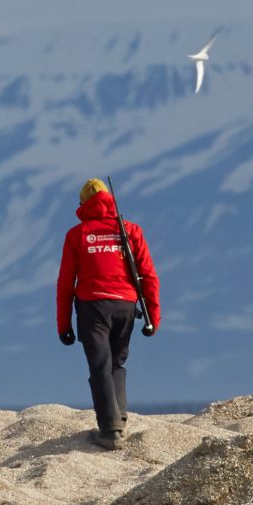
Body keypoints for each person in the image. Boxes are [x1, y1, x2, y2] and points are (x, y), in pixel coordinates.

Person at [55, 178, 160, 449]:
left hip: (92, 308)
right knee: (117, 363)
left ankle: (110, 430)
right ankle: (120, 418)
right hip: (126, 306)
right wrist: (154, 316)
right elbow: (148, 275)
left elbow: (66, 283)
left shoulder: (76, 235)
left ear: (83, 205)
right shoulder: (130, 230)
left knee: (100, 365)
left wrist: (63, 324)